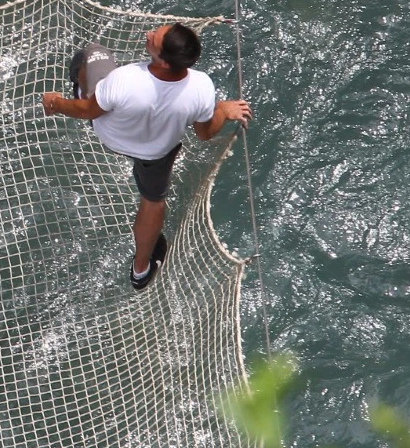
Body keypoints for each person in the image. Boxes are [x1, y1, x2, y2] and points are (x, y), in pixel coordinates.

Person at [42, 24, 253, 290]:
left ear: (164, 62)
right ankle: (141, 271)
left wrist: (55, 103)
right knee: (153, 202)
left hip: (112, 138)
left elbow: (88, 111)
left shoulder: (124, 78)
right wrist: (221, 109)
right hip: (156, 154)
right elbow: (204, 133)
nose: (148, 34)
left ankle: (80, 83)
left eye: (154, 38)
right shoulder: (202, 87)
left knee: (93, 53)